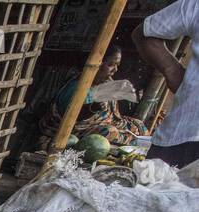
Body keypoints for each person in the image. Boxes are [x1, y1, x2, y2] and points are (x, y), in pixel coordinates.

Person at [37, 47, 147, 150]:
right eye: (111, 64)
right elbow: (75, 118)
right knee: (108, 132)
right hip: (73, 131)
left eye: (117, 65)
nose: (115, 70)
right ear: (97, 64)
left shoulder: (106, 83)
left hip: (101, 124)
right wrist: (94, 103)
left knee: (139, 125)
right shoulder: (77, 87)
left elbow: (112, 116)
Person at [134, 0, 199, 168]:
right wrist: (172, 70)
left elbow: (144, 35)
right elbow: (144, 34)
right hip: (184, 136)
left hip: (182, 136)